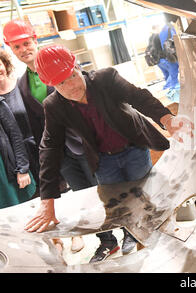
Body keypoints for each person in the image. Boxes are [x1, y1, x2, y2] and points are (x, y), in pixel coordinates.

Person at [24, 44, 192, 262]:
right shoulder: (54, 105)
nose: (71, 86)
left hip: (133, 148)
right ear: (52, 85)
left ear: (77, 66)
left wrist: (167, 119)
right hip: (102, 159)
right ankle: (132, 237)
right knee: (118, 206)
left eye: (72, 76)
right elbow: (50, 147)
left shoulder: (106, 79)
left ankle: (158, 239)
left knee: (144, 195)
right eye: (61, 83)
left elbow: (139, 97)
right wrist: (47, 201)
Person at [3, 19, 89, 253]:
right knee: (74, 196)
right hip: (58, 151)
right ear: (11, 49)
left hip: (83, 144)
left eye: (26, 43)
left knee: (101, 191)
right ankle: (98, 238)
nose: (23, 50)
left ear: (35, 40)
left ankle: (127, 235)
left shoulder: (64, 63)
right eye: (17, 47)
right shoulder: (22, 85)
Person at [0, 52, 35, 208]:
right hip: (14, 158)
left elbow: (14, 134)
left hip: (33, 149)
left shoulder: (21, 85)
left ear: (5, 65)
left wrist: (22, 168)